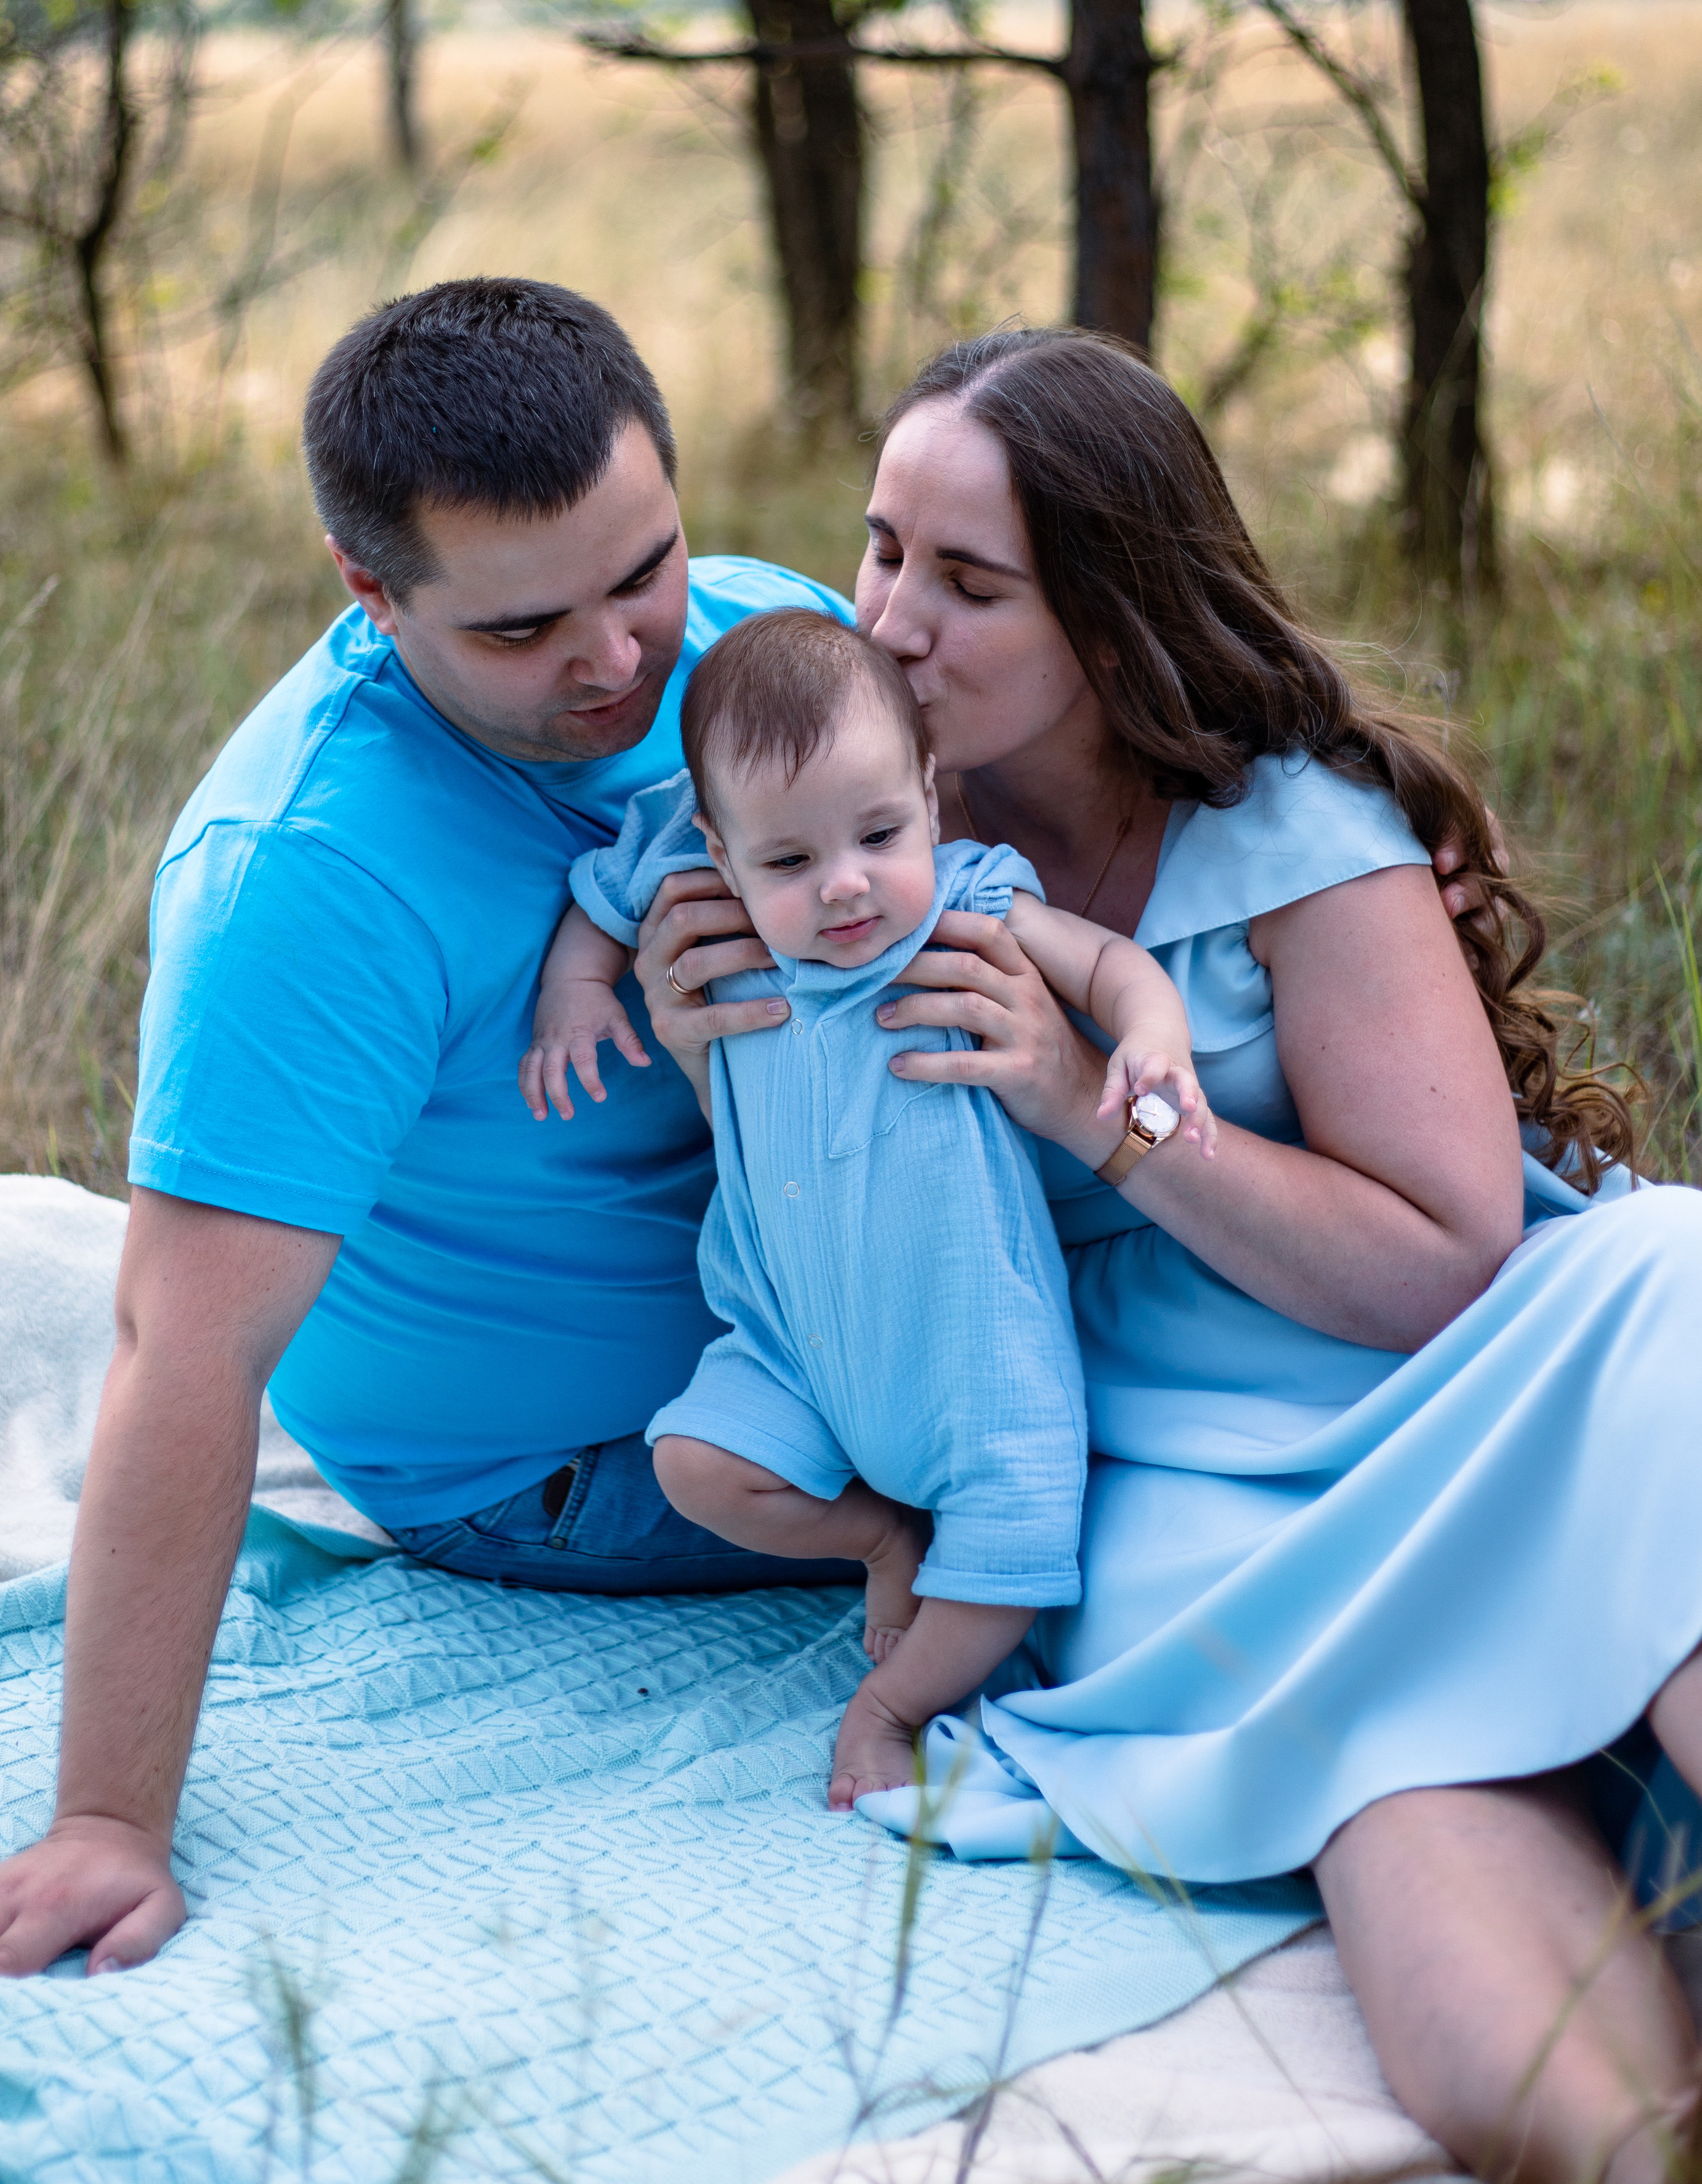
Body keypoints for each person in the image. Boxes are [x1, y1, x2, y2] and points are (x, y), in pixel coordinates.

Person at [634, 326, 1702, 2184]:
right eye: (881, 548)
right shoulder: (837, 818)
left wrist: (1086, 1106)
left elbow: (1443, 1263)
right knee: (1469, 1989)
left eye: (970, 584)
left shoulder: (1286, 829)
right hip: (1161, 1472)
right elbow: (815, 1205)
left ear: (1111, 623)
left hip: (1490, 1362)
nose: (890, 620)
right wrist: (696, 1043)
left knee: (1674, 1316)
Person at [0, 276, 857, 1983]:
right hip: (565, 1465)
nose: (616, 659)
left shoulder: (764, 641)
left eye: (645, 569)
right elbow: (183, 1346)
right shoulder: (308, 879)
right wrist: (107, 1820)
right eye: (520, 630)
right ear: (372, 592)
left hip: (820, 1312)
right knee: (1090, 1485)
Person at [528, 606, 1211, 1808]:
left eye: (881, 835)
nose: (845, 886)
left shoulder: (967, 904)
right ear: (721, 846)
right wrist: (578, 991)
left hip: (976, 1354)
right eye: (789, 862)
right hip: (791, 1346)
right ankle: (880, 1537)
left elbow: (1109, 965)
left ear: (930, 797)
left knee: (1015, 1553)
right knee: (692, 1462)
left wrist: (1155, 1043)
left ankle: (888, 1709)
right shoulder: (705, 897)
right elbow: (605, 899)